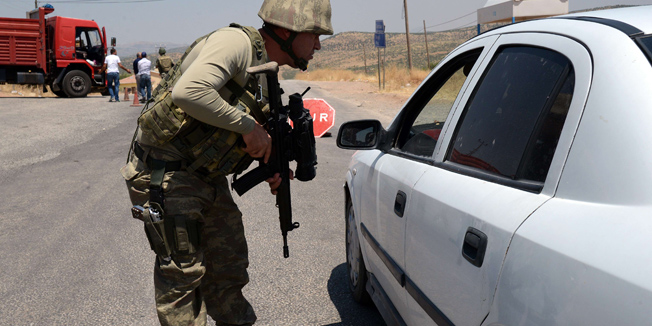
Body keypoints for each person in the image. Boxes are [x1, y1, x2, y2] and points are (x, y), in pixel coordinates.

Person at [120, 0, 332, 325]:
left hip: (206, 175)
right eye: (315, 33)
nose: (318, 43)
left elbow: (227, 134)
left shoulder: (266, 73)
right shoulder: (237, 44)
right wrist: (249, 128)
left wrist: (269, 160)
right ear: (287, 29)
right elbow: (188, 93)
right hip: (165, 169)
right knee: (183, 278)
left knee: (228, 271)